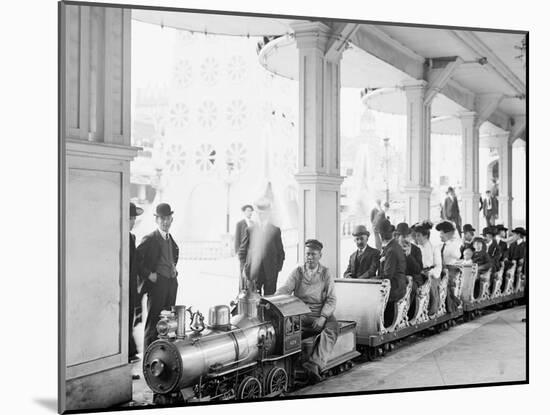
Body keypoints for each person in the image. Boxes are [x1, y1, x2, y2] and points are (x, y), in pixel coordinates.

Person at [276, 239, 337, 383]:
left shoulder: (326, 273)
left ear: (320, 255)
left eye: (313, 254)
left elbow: (331, 299)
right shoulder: (297, 272)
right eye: (307, 254)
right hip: (300, 312)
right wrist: (272, 299)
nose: (309, 257)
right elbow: (285, 289)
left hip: (319, 311)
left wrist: (323, 317)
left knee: (333, 328)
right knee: (284, 329)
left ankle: (314, 364)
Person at [136, 203, 180, 351]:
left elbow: (173, 256)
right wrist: (149, 275)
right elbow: (136, 261)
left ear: (171, 219)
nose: (165, 222)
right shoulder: (149, 239)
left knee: (168, 322)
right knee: (154, 321)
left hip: (170, 284)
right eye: (162, 219)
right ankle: (148, 358)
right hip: (157, 285)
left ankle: (163, 354)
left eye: (167, 218)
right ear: (156, 220)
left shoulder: (171, 239)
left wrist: (174, 269)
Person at [238, 198, 285, 295]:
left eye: (263, 213)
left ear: (268, 213)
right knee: (254, 301)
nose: (261, 215)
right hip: (254, 272)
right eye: (259, 213)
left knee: (270, 301)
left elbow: (281, 252)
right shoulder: (250, 230)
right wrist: (245, 268)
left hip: (271, 272)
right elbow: (242, 252)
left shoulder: (275, 230)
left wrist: (277, 268)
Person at [376, 219, 408, 325]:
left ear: (381, 234)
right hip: (397, 284)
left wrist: (371, 279)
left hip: (395, 288)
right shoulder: (392, 246)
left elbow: (387, 275)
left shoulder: (391, 250)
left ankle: (382, 324)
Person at [412, 221, 443, 317]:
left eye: (418, 236)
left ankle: (431, 310)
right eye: (416, 236)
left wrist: (430, 273)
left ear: (425, 236)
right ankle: (414, 311)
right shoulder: (415, 248)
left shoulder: (434, 248)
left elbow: (438, 266)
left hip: (431, 273)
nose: (416, 238)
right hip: (418, 272)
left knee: (430, 285)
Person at [395, 223, 424, 319]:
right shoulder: (393, 249)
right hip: (398, 278)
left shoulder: (416, 250)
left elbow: (418, 270)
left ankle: (405, 315)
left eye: (407, 236)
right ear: (398, 237)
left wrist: (408, 256)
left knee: (410, 287)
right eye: (403, 236)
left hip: (414, 278)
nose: (405, 239)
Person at [436, 220, 462, 312]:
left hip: (451, 269)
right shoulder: (440, 246)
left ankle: (451, 305)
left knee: (445, 281)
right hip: (442, 268)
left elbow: (457, 256)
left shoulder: (454, 245)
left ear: (448, 234)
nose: (440, 236)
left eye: (441, 233)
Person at [129, 202, 143, 365]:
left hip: (132, 287)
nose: (133, 221)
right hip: (123, 288)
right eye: (131, 218)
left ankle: (129, 354)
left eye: (133, 218)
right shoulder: (120, 235)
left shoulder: (132, 237)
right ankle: (127, 355)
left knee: (131, 320)